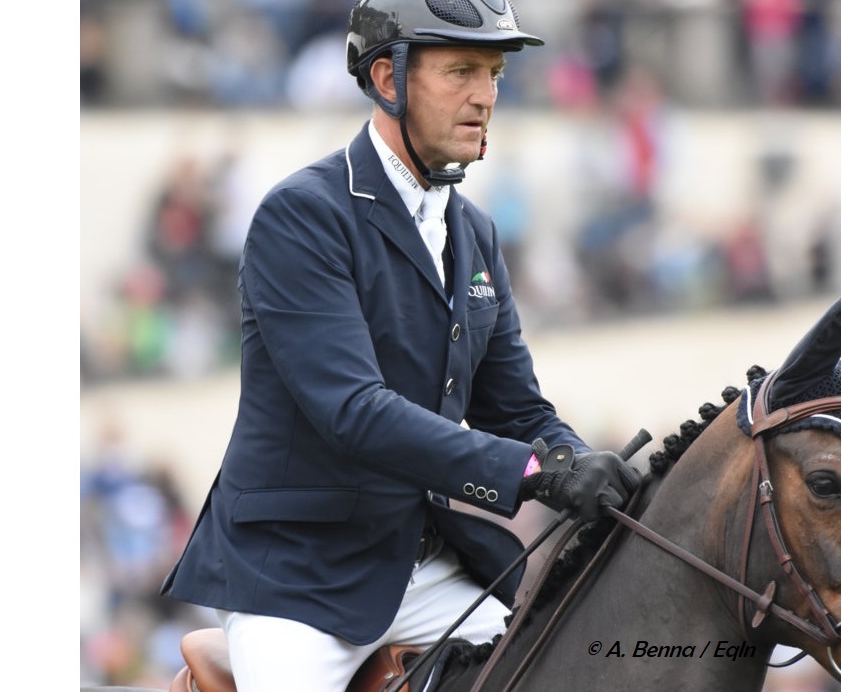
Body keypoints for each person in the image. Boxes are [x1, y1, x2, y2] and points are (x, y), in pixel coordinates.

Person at [160, 1, 640, 689]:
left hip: (423, 567)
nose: (486, 96)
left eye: (495, 74)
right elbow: (356, 411)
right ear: (389, 78)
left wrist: (585, 464)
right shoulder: (302, 215)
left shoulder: (476, 233)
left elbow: (516, 410)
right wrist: (536, 474)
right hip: (297, 575)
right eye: (462, 71)